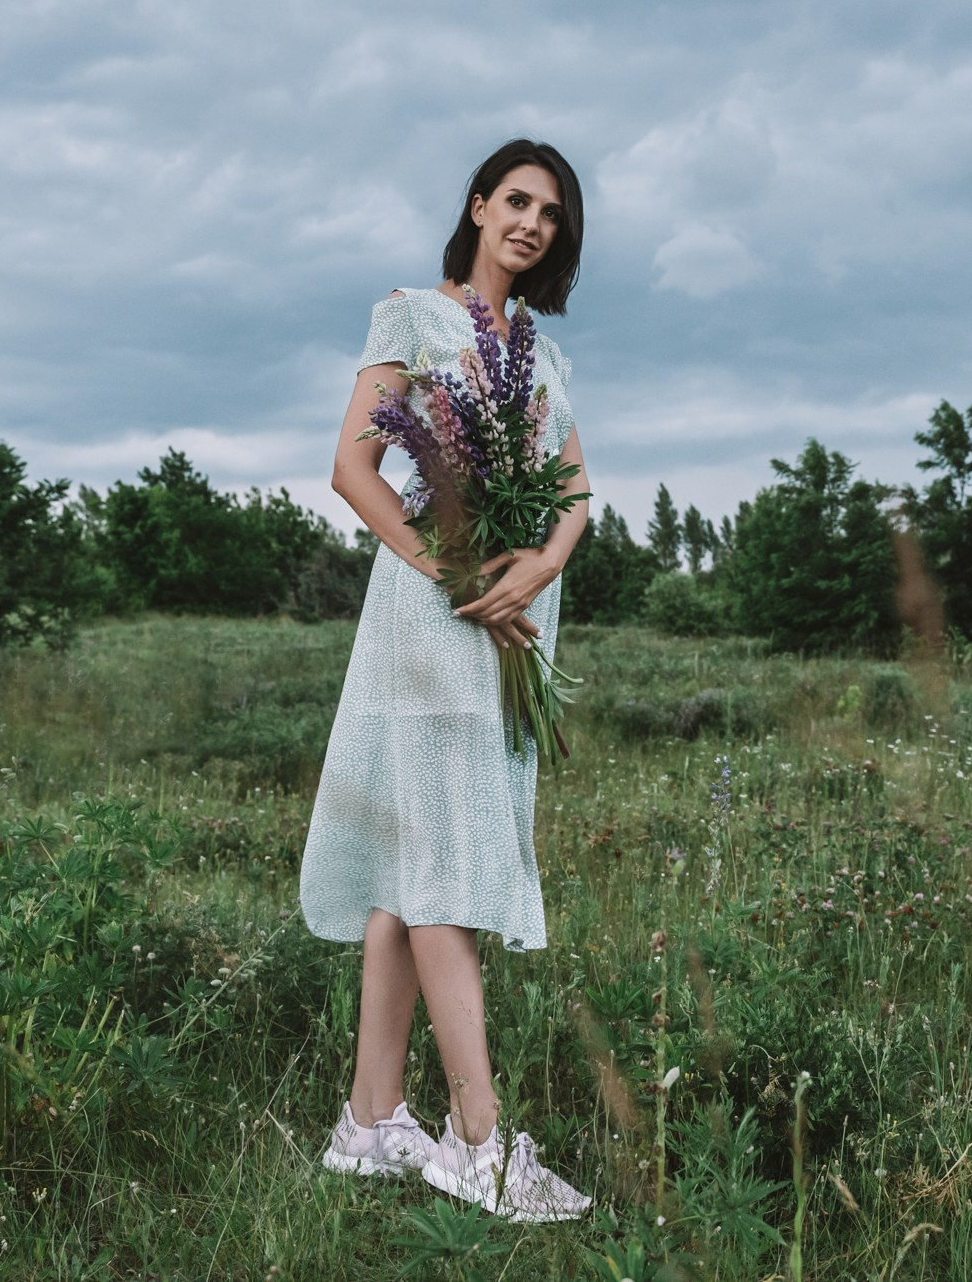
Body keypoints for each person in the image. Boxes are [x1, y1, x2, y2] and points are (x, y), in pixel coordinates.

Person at [298, 140, 596, 1223]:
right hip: (433, 618)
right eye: (514, 200)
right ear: (476, 207)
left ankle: (371, 1118)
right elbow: (351, 467)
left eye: (550, 213)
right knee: (448, 865)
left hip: (515, 621)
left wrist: (543, 560)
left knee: (409, 865)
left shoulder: (538, 352)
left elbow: (573, 490)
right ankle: (478, 1139)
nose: (530, 221)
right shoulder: (410, 318)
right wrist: (451, 571)